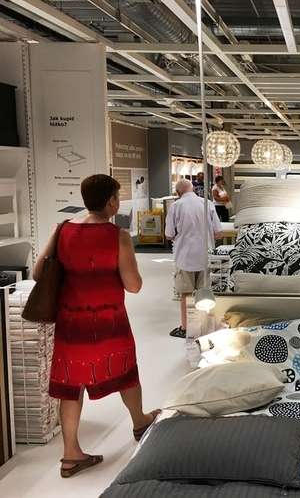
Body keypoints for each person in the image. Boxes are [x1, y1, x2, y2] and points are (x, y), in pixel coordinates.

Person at [34, 174, 158, 478]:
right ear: (111, 201)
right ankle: (140, 422)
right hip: (108, 320)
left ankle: (70, 454)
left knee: (70, 384)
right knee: (125, 371)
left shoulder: (62, 229)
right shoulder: (118, 236)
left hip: (71, 321)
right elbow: (134, 285)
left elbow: (39, 273)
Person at [166, 179, 224, 338]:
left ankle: (185, 328)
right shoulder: (207, 203)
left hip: (184, 257)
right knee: (204, 292)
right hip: (205, 255)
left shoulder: (176, 206)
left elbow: (169, 234)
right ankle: (205, 326)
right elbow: (219, 232)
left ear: (178, 192)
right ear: (192, 189)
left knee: (186, 294)